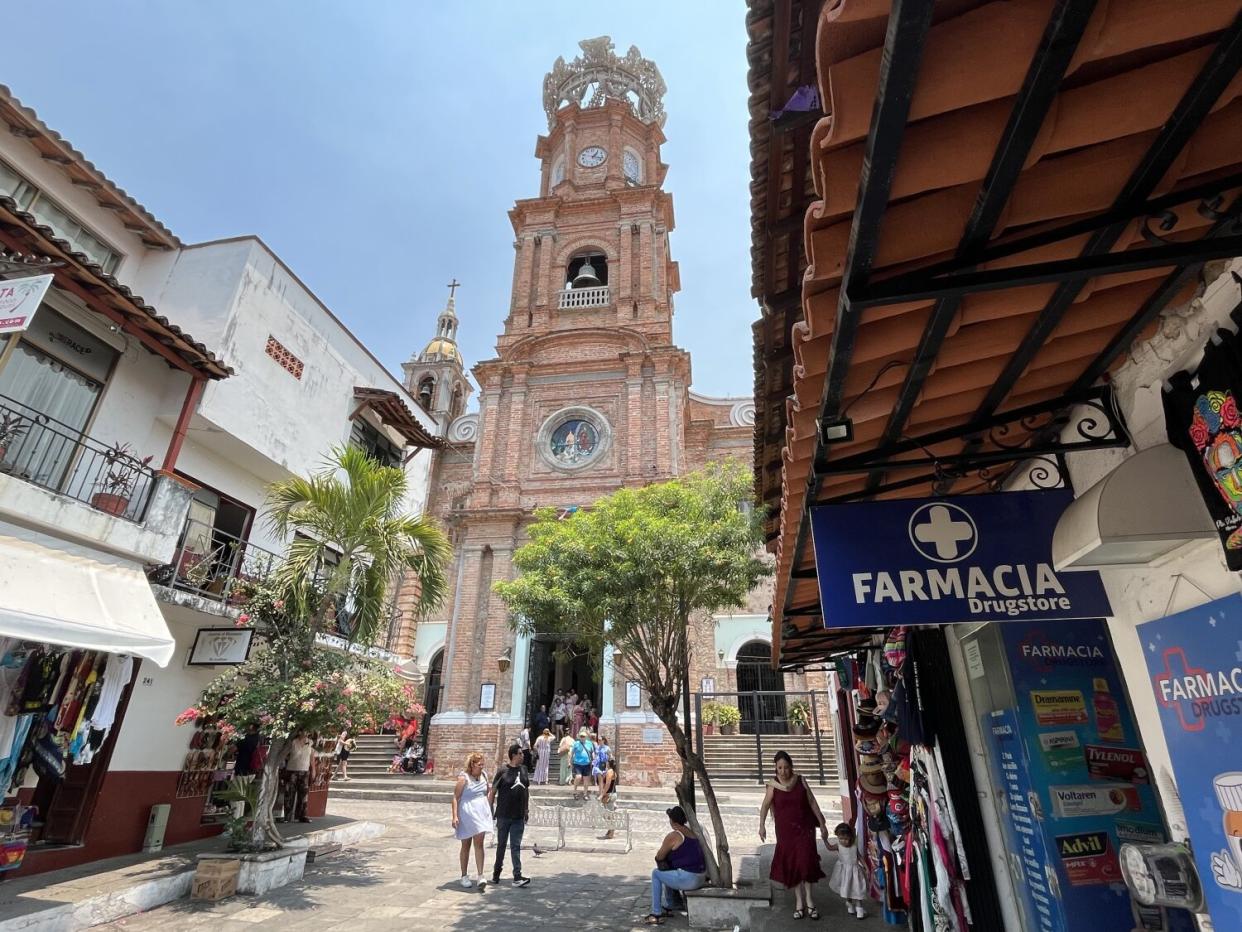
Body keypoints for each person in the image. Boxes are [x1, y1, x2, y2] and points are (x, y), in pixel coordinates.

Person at [758, 750, 830, 920]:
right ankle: (799, 902)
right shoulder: (773, 785)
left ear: (791, 767)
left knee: (806, 862)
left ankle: (810, 901)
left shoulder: (800, 781)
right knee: (793, 865)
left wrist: (822, 822)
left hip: (804, 829)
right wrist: (761, 826)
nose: (783, 771)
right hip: (785, 831)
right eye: (780, 768)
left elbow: (812, 801)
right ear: (776, 769)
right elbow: (765, 806)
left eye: (786, 767)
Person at [645, 805, 707, 925]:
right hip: (700, 877)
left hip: (690, 878)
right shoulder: (692, 833)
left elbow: (659, 856)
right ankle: (671, 903)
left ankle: (656, 913)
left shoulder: (674, 835)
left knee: (656, 873)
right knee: (668, 869)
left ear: (672, 821)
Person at [488, 743, 532, 887]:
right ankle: (496, 874)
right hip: (504, 814)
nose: (523, 755)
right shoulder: (503, 771)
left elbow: (525, 790)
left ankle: (517, 876)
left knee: (515, 845)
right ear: (514, 755)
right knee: (501, 845)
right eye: (520, 753)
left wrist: (526, 810)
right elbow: (493, 791)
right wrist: (490, 810)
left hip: (518, 815)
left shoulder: (524, 770)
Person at [451, 752, 492, 888]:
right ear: (472, 764)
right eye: (479, 765)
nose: (482, 767)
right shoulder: (464, 778)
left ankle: (481, 875)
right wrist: (455, 816)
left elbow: (486, 793)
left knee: (479, 843)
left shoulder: (484, 775)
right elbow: (455, 798)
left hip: (480, 814)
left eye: (482, 764)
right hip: (466, 814)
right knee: (466, 845)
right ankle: (464, 875)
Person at [826, 821, 869, 919]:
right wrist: (825, 840)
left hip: (855, 871)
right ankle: (849, 905)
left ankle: (859, 910)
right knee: (847, 889)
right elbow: (829, 848)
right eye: (840, 838)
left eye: (846, 838)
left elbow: (859, 857)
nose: (843, 841)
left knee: (858, 890)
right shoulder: (838, 845)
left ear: (850, 837)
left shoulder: (854, 846)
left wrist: (866, 867)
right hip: (844, 872)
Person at [279, 730, 314, 824]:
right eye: (304, 731)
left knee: (303, 795)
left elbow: (312, 756)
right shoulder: (293, 742)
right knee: (289, 793)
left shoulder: (310, 742)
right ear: (299, 732)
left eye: (307, 732)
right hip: (292, 770)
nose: (306, 733)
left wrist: (313, 769)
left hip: (305, 770)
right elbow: (285, 755)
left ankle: (302, 816)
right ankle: (287, 816)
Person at [570, 728, 595, 801]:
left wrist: (593, 759)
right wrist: (570, 762)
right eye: (581, 736)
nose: (582, 737)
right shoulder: (576, 743)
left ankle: (585, 794)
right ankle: (574, 791)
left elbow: (592, 752)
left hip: (587, 763)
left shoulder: (589, 743)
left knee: (586, 780)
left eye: (583, 736)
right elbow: (572, 753)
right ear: (579, 736)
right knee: (578, 777)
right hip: (577, 763)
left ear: (586, 736)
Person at [600, 758, 619, 840]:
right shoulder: (614, 772)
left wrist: (602, 794)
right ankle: (610, 830)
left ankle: (611, 832)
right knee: (608, 814)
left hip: (609, 795)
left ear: (609, 763)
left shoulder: (609, 772)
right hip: (613, 794)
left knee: (608, 815)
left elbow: (607, 784)